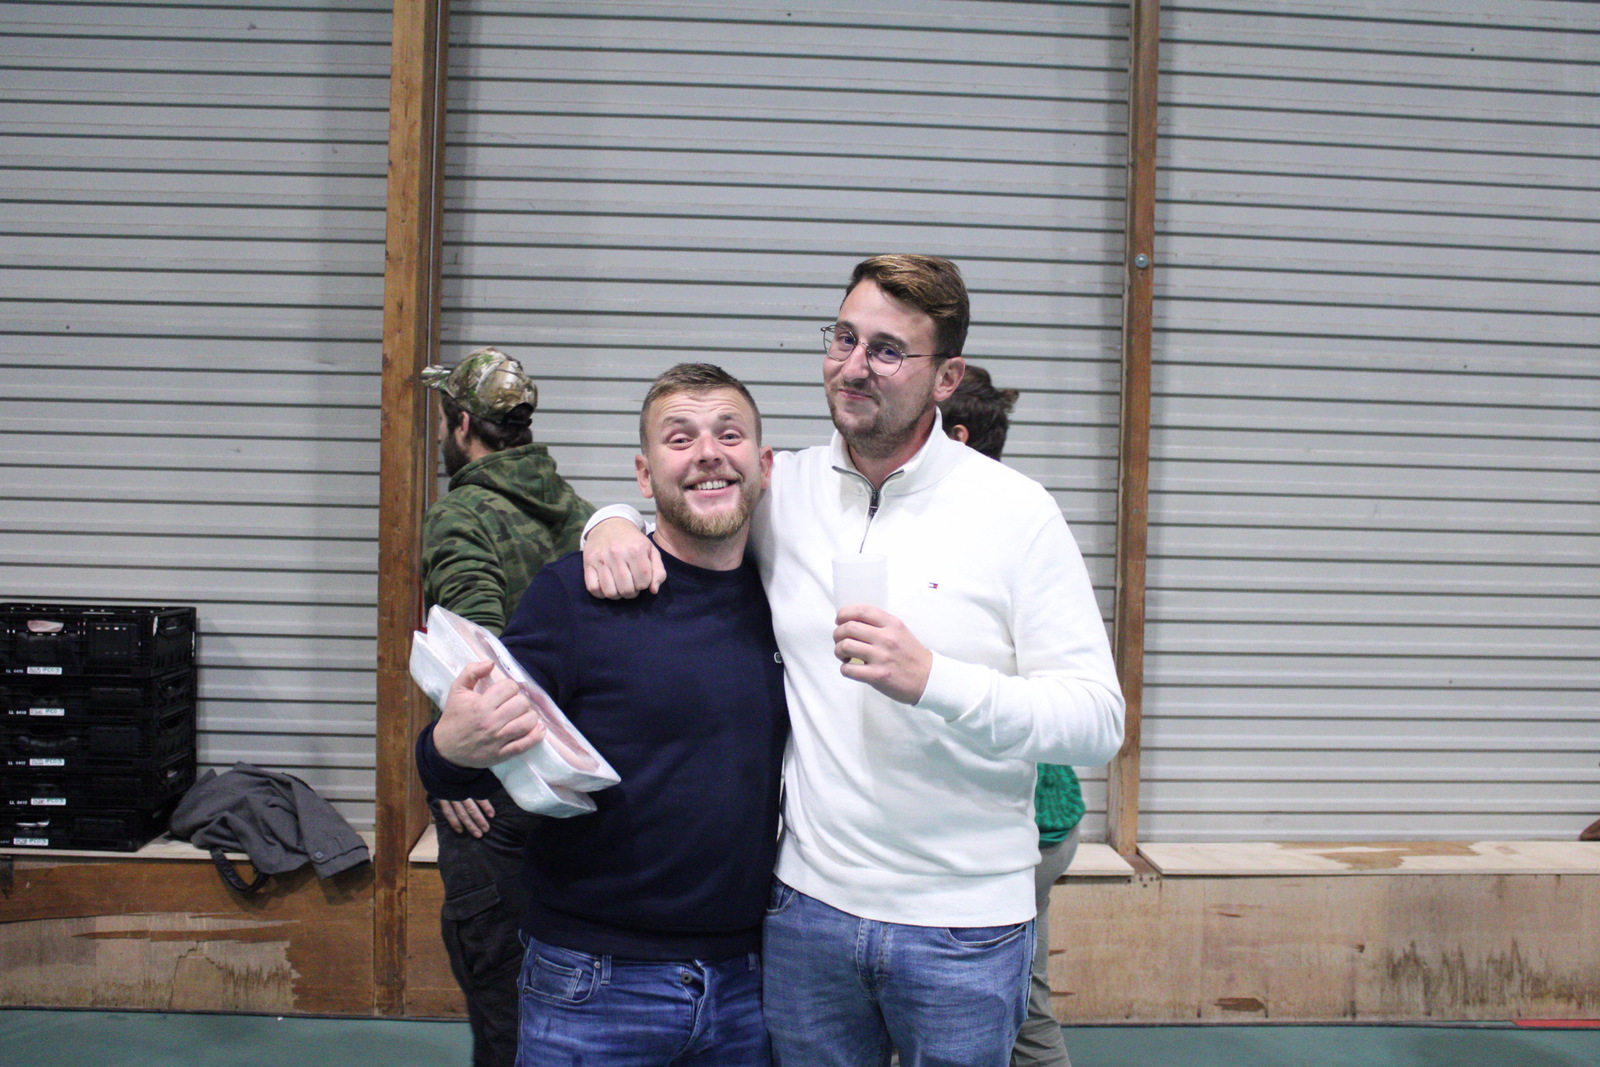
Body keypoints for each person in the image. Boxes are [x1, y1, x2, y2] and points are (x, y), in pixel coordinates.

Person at [583, 256, 1125, 1067]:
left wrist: (934, 679)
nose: (853, 366)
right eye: (844, 338)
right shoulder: (787, 489)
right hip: (809, 914)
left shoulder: (1017, 513)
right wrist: (610, 521)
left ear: (947, 377)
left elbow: (1096, 721)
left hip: (963, 926)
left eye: (887, 350)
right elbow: (689, 503)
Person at [416, 363, 789, 1067]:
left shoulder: (791, 600)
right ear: (645, 475)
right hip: (594, 982)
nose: (708, 453)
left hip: (747, 983)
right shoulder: (575, 596)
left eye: (728, 433)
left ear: (764, 465)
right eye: (680, 438)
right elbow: (453, 754)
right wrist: (448, 748)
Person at [418, 347, 594, 1067]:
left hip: (496, 799)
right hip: (576, 788)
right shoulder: (581, 512)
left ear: (463, 425)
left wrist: (455, 765)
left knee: (505, 1006)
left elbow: (475, 658)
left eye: (444, 420)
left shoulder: (461, 514)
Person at [941, 365, 1083, 1067]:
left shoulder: (994, 528)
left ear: (958, 437)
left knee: (1000, 1006)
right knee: (1027, 1000)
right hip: (1043, 822)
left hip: (1023, 824)